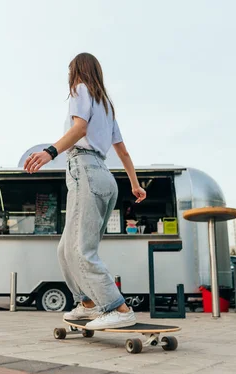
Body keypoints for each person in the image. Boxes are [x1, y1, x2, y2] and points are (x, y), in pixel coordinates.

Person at [23, 52, 146, 329]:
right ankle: (87, 304)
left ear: (77, 70)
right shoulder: (107, 106)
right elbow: (123, 152)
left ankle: (118, 308)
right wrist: (135, 184)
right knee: (65, 250)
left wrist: (50, 152)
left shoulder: (80, 89)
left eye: (70, 69)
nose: (68, 75)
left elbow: (79, 129)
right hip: (104, 176)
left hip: (86, 171)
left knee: (81, 250)